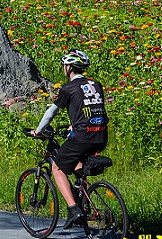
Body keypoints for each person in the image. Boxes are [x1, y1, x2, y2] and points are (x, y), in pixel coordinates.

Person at [31, 49, 109, 229]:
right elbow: (93, 108)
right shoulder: (96, 84)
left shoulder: (68, 88)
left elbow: (51, 112)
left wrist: (38, 130)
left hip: (84, 136)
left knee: (57, 166)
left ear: (69, 67)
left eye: (65, 65)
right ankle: (85, 199)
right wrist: (72, 127)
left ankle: (74, 209)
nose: (64, 68)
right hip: (100, 134)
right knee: (76, 163)